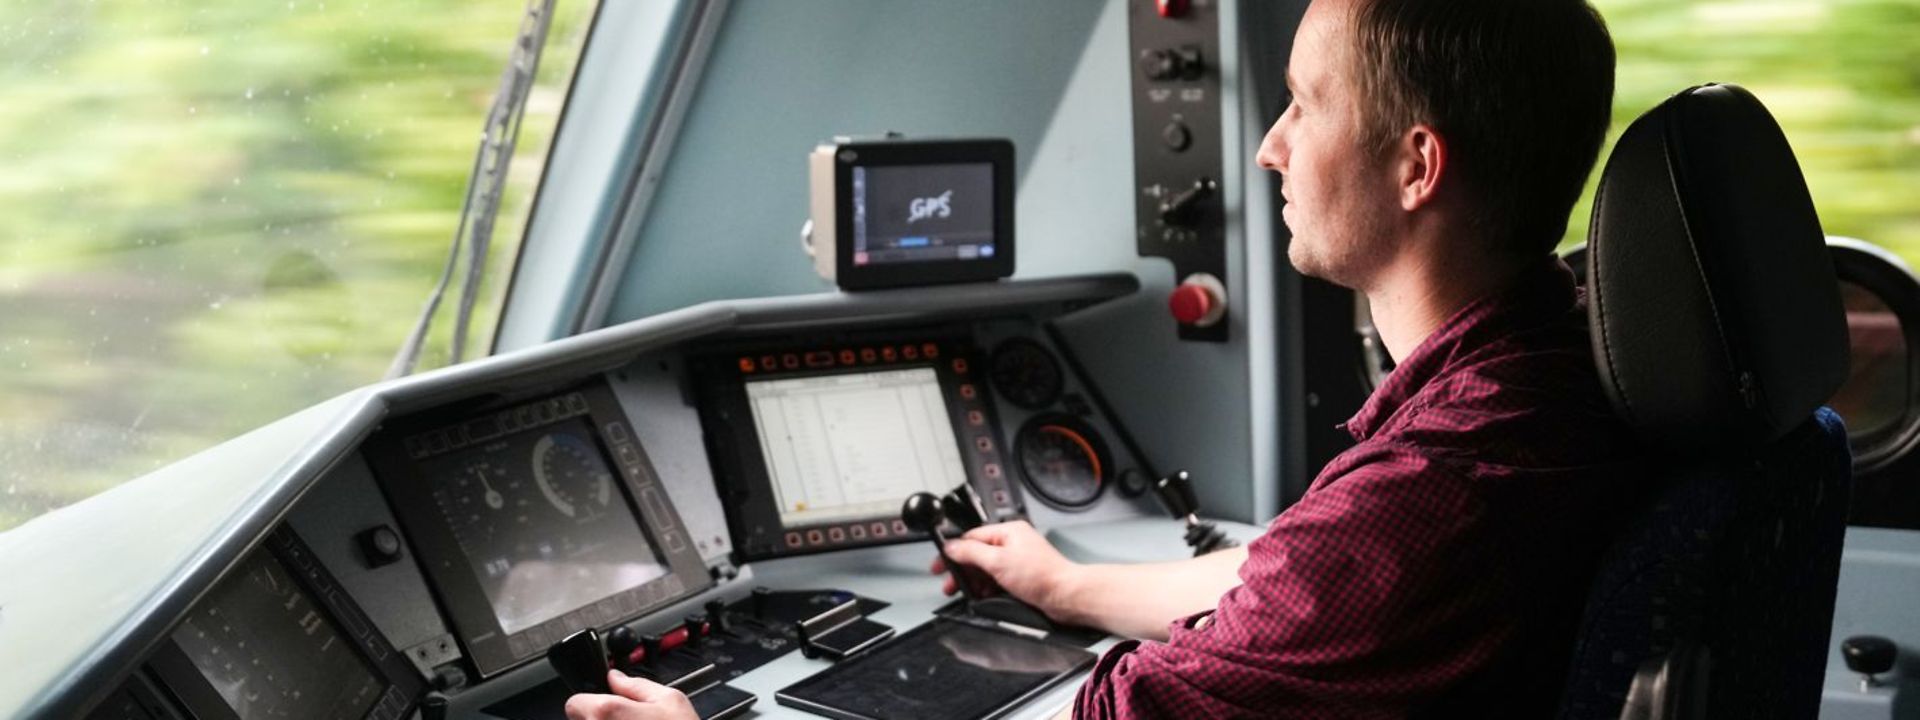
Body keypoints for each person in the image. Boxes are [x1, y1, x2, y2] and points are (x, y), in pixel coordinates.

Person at [566, 0, 1633, 716]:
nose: (1268, 144)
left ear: (1416, 166)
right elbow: (1289, 584)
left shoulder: (1434, 495)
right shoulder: (1548, 373)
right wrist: (1067, 588)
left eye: (1305, 105)